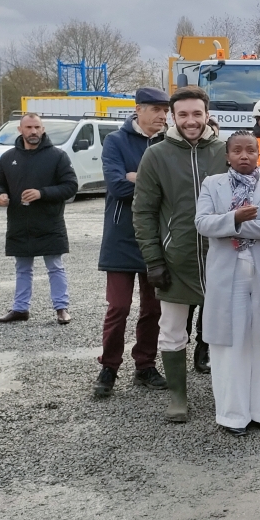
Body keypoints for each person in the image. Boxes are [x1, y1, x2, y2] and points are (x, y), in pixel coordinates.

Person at [133, 86, 228, 423]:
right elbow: (143, 212)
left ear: (207, 114)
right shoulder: (156, 156)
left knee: (222, 330)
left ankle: (227, 394)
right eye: (183, 114)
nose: (191, 121)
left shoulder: (223, 151)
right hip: (177, 257)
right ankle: (177, 397)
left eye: (197, 114)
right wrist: (154, 260)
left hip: (221, 258)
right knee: (172, 329)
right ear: (173, 116)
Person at [196, 130, 260, 435]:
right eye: (237, 151)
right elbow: (203, 223)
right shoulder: (212, 184)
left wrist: (234, 226)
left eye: (250, 150)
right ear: (227, 156)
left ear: (259, 153)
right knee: (230, 343)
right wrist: (234, 218)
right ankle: (232, 415)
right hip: (228, 274)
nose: (244, 156)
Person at [93, 87, 170, 398]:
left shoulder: (168, 143)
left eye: (166, 109)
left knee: (153, 309)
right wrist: (150, 183)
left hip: (156, 238)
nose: (163, 115)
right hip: (121, 238)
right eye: (156, 109)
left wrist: (136, 177)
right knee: (119, 307)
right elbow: (115, 186)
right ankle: (109, 367)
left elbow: (174, 187)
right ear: (138, 109)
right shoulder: (115, 141)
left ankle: (145, 366)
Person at [0, 113, 78, 325]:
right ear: (20, 130)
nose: (33, 131)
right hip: (19, 222)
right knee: (22, 267)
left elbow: (71, 186)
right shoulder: (8, 157)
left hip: (49, 222)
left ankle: (61, 308)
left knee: (55, 267)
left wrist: (42, 193)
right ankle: (20, 309)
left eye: (37, 127)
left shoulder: (57, 156)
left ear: (43, 129)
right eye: (29, 127)